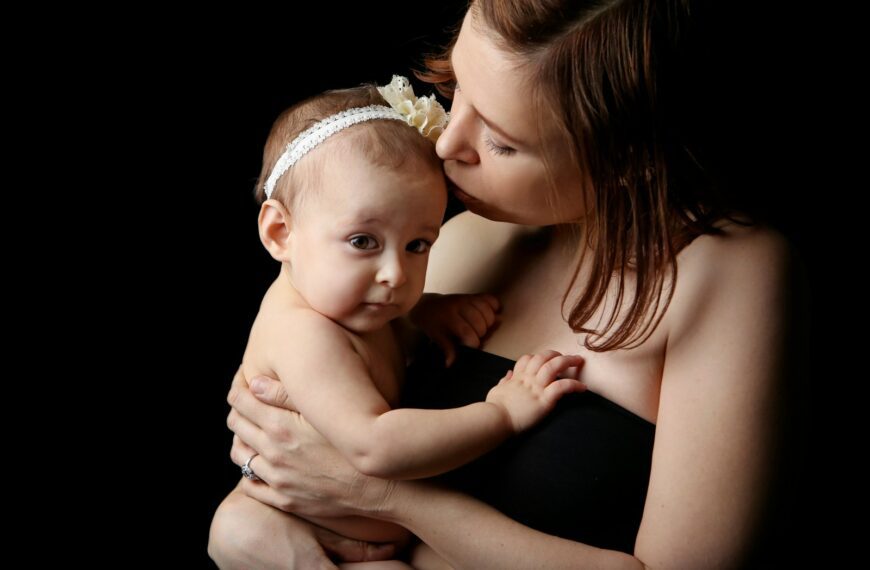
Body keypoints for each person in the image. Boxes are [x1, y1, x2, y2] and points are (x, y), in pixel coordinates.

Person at [209, 1, 806, 568]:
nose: (445, 144)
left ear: (629, 160)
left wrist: (390, 499)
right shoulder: (453, 237)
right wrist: (246, 533)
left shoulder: (727, 273)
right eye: (457, 88)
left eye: (500, 140)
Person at [215, 76, 588, 568]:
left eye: (418, 245)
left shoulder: (352, 308)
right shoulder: (302, 332)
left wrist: (424, 312)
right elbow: (376, 447)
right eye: (363, 242)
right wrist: (502, 414)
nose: (395, 275)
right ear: (281, 232)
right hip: (300, 533)